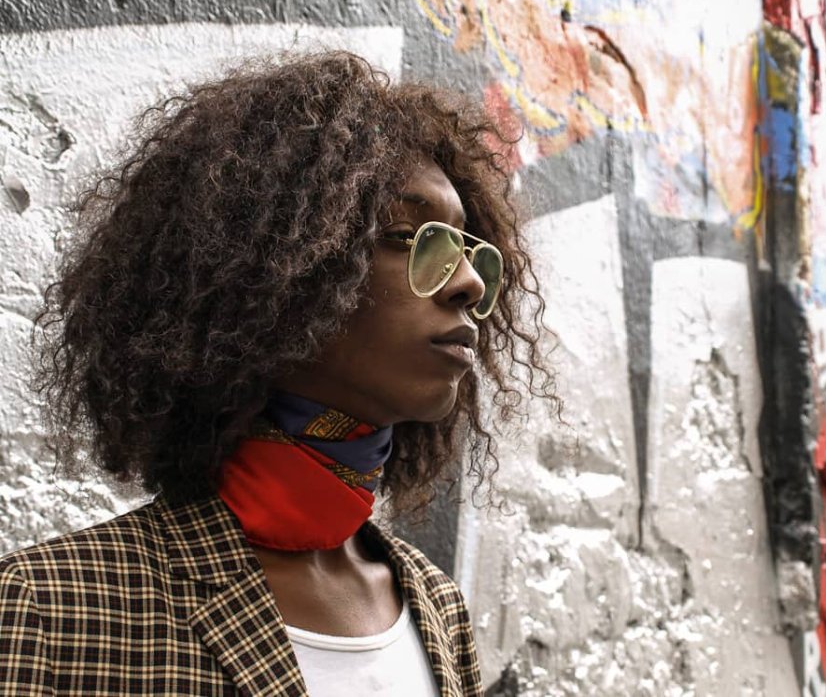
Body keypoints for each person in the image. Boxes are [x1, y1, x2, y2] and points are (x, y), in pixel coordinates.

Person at [0, 51, 556, 695]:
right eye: (411, 237)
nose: (467, 283)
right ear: (276, 271)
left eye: (469, 252)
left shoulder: (438, 610)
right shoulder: (49, 612)